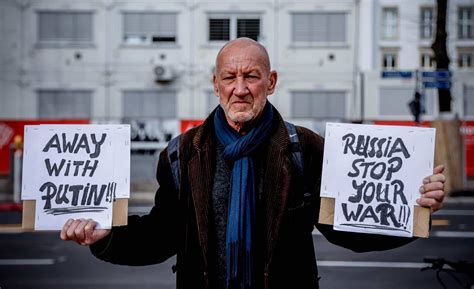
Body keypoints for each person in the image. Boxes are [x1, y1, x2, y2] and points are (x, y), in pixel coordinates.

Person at [61, 38, 446, 289]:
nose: (240, 88)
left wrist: (413, 209)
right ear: (216, 84)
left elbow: (347, 229)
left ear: (271, 81)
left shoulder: (305, 149)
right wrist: (106, 236)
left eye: (252, 76)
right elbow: (161, 235)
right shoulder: (182, 153)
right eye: (230, 77)